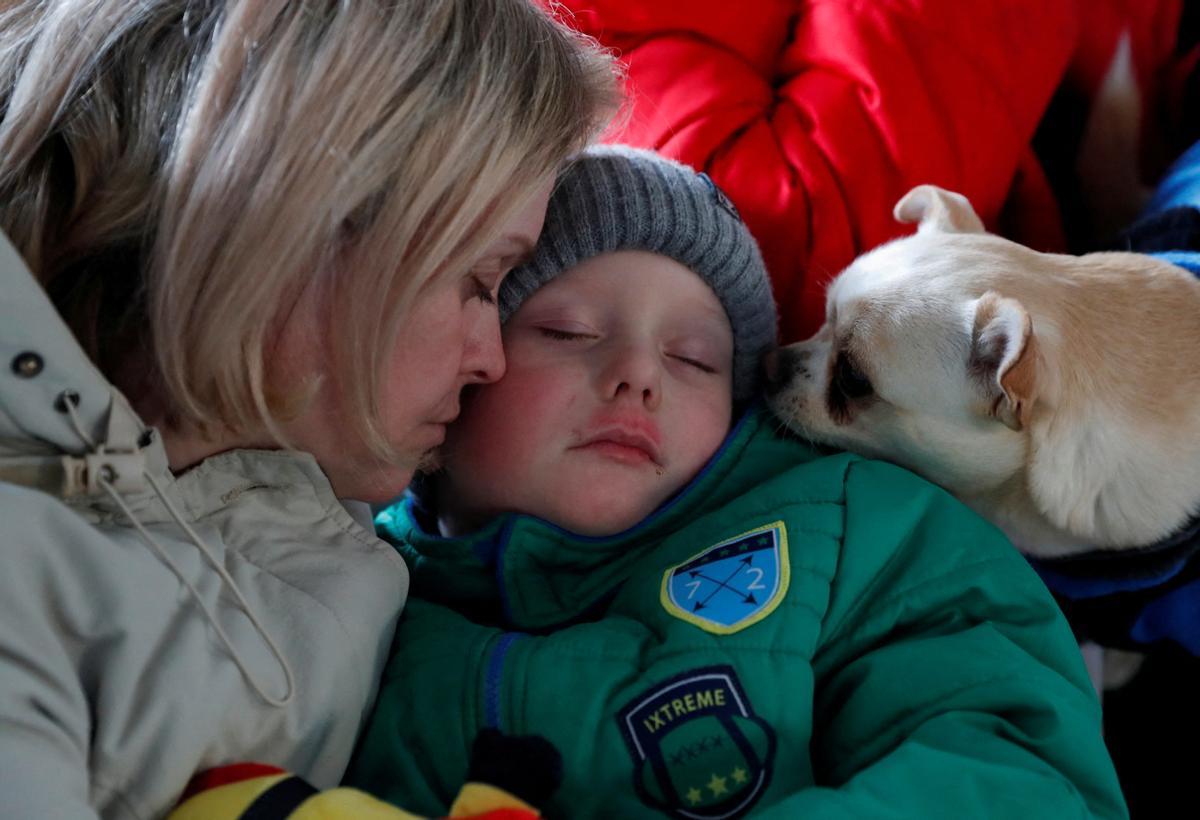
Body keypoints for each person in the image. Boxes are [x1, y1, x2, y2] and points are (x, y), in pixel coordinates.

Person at [345, 147, 1129, 818]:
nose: (639, 375)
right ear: (465, 363)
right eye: (568, 332)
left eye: (694, 359)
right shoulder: (345, 571)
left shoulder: (853, 525)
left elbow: (1016, 764)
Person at [0, 1, 619, 818]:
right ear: (302, 223)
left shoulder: (329, 507)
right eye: (479, 280)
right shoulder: (26, 573)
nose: (491, 359)